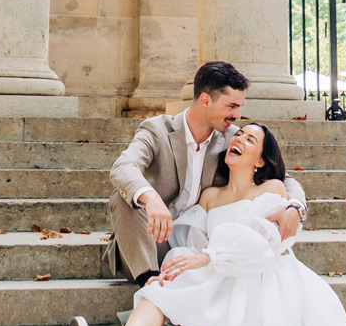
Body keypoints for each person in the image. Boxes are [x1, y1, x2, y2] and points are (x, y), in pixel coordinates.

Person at [71, 123, 346, 326]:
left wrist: (208, 259)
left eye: (250, 139)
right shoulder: (210, 196)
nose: (238, 138)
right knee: (159, 287)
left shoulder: (271, 189)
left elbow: (263, 246)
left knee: (203, 325)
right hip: (214, 268)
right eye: (239, 134)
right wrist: (186, 264)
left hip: (256, 276)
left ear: (260, 160)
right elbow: (195, 242)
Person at [104, 61, 307, 286]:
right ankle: (149, 283)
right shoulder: (157, 130)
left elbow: (283, 178)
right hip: (151, 241)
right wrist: (151, 198)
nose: (237, 115)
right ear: (205, 100)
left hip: (201, 249)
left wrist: (296, 208)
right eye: (231, 106)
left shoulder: (232, 139)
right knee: (124, 197)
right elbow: (123, 167)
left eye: (239, 107)